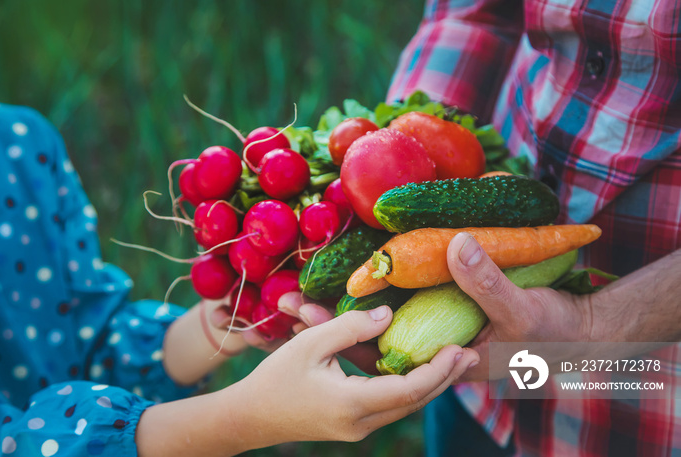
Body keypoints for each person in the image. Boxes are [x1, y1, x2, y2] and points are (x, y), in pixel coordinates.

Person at [282, 0, 681, 455]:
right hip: (466, 376)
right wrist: (411, 132)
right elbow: (471, 11)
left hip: (643, 401)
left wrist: (596, 324)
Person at [0, 101, 480, 456]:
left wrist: (227, 322)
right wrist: (240, 420)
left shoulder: (19, 144)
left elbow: (89, 351)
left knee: (557, 368)